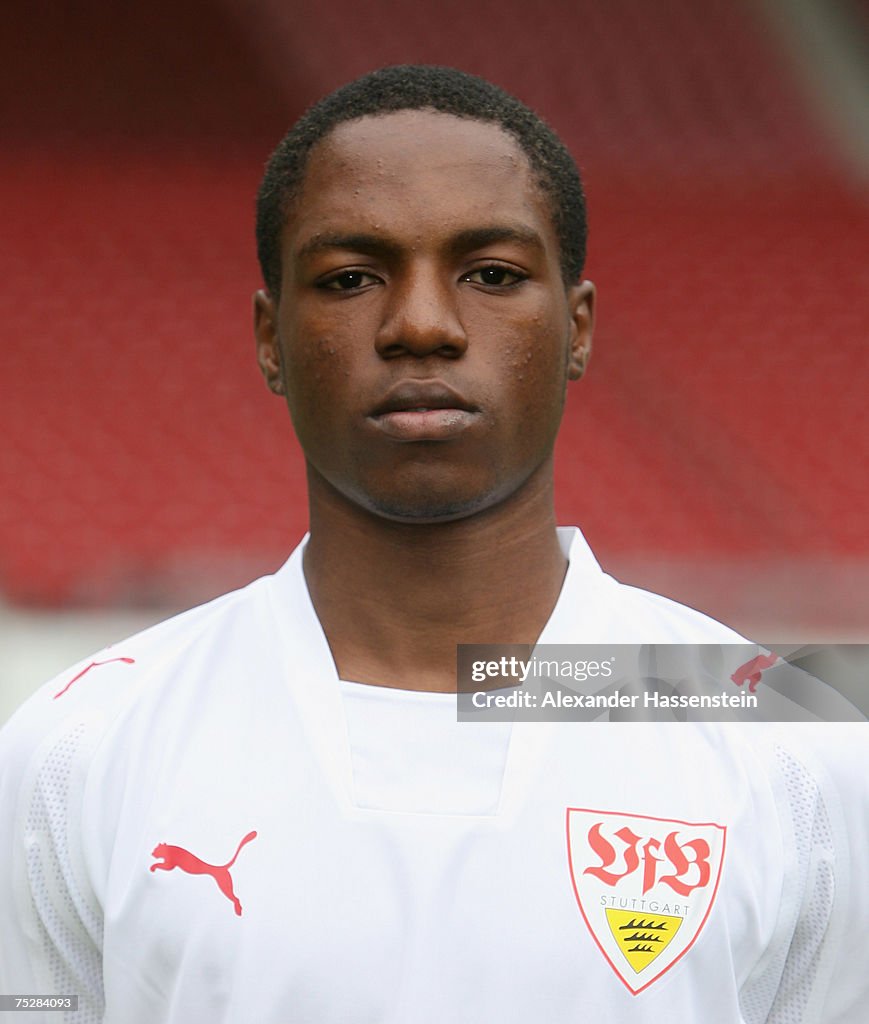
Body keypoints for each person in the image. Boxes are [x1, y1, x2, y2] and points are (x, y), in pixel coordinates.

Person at [0, 65, 866, 1024]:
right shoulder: (81, 750)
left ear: (576, 329)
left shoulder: (781, 741)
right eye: (350, 278)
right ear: (270, 339)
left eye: (491, 274)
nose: (420, 324)